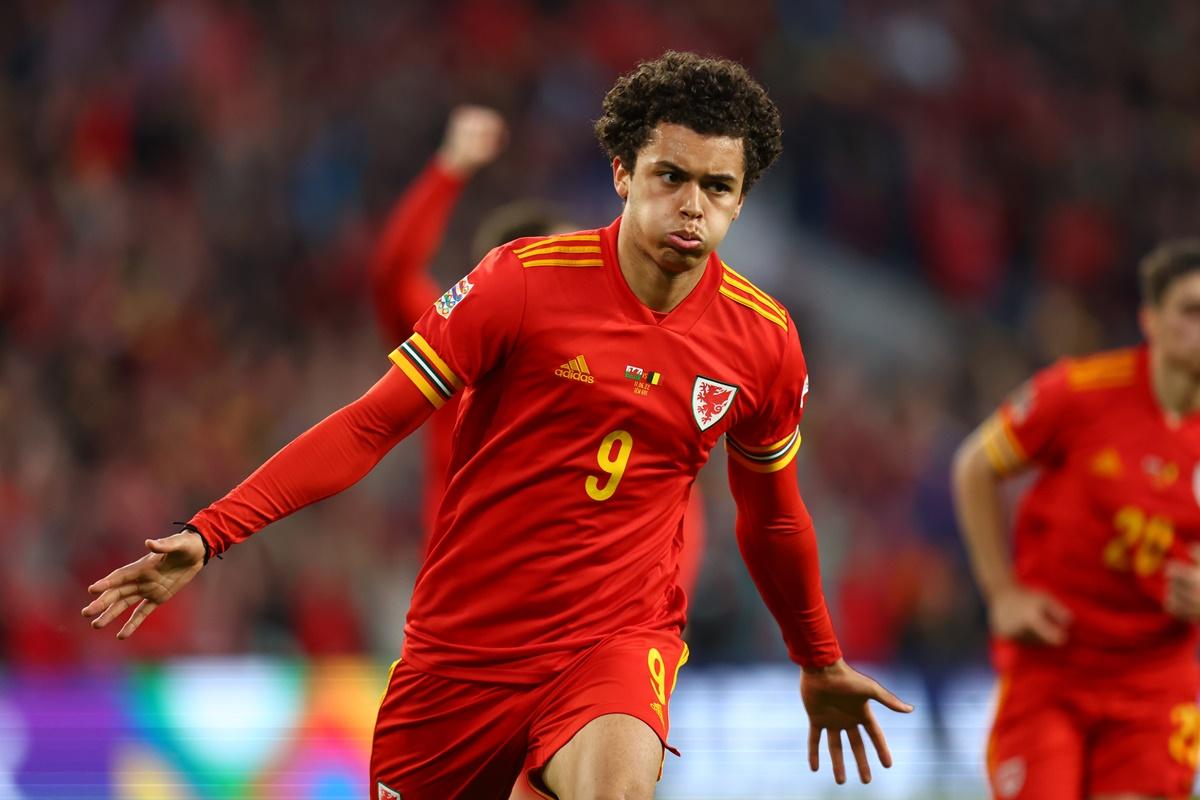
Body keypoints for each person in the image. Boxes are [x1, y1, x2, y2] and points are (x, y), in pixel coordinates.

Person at [82, 51, 911, 799]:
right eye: (669, 176)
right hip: (462, 656)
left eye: (718, 187)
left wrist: (818, 657)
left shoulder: (762, 342)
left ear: (741, 199)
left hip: (615, 644)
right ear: (623, 174)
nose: (691, 207)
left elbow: (772, 515)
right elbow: (373, 425)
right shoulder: (523, 283)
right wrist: (212, 532)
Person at [369, 106, 707, 597]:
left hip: (578, 627)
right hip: (465, 610)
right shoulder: (459, 343)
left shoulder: (622, 373)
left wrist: (665, 608)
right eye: (567, 264)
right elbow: (393, 276)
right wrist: (450, 168)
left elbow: (676, 501)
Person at [953, 239, 1200, 800]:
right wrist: (1002, 593)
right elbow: (974, 466)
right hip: (1055, 666)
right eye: (1191, 311)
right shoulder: (1080, 393)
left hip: (1155, 683)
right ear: (1151, 322)